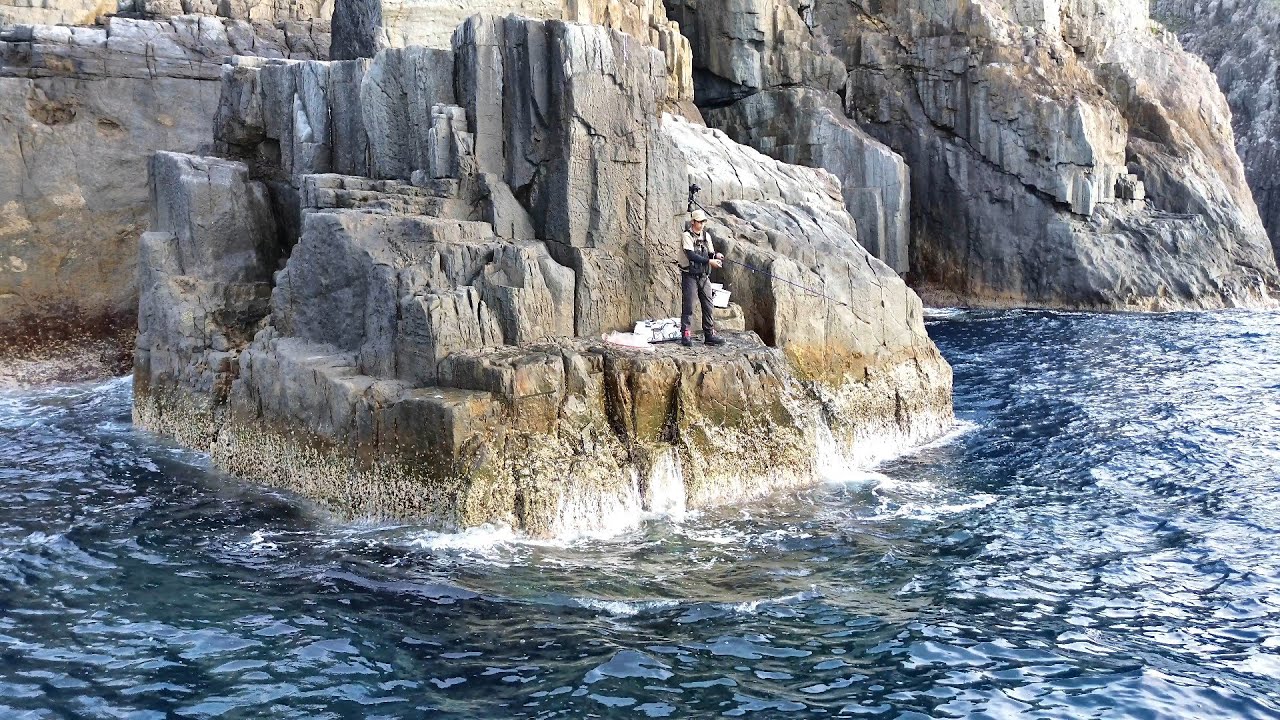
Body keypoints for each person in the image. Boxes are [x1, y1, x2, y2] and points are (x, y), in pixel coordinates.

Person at [678, 209, 726, 347]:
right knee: (689, 305)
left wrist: (716, 256)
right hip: (689, 275)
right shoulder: (686, 236)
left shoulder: (707, 236)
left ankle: (709, 334)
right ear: (693, 222)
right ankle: (686, 334)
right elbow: (691, 255)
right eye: (699, 222)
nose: (702, 224)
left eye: (703, 221)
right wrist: (709, 262)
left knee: (708, 304)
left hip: (704, 276)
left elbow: (710, 253)